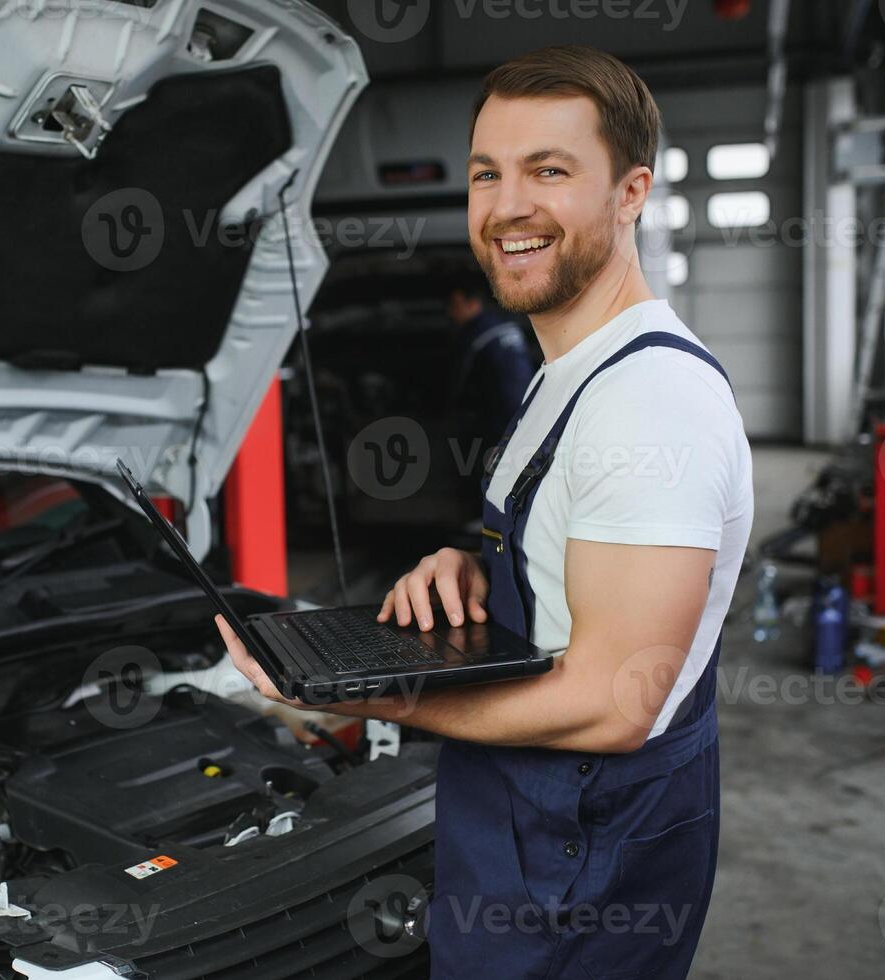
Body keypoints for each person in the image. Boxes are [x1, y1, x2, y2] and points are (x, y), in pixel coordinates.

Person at [216, 44, 753, 980]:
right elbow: (566, 555)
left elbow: (613, 703)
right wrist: (476, 564)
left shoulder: (649, 402)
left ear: (630, 193)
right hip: (528, 824)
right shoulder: (567, 370)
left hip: (576, 853)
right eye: (486, 174)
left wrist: (365, 692)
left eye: (549, 171)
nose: (507, 207)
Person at [442, 267, 537, 488]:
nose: (451, 313)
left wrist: (449, 412)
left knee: (481, 463)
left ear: (473, 304)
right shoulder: (509, 325)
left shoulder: (474, 337)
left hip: (496, 417)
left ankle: (478, 512)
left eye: (455, 306)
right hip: (530, 410)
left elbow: (458, 383)